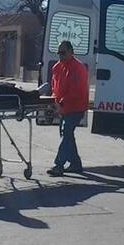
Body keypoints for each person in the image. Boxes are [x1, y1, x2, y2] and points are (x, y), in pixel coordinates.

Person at [46, 40, 89, 177]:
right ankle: (76, 164)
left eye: (63, 53)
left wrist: (62, 103)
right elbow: (55, 87)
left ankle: (59, 165)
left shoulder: (78, 68)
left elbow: (76, 91)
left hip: (76, 107)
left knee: (66, 133)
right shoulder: (57, 67)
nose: (60, 55)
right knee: (67, 136)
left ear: (71, 52)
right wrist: (54, 101)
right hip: (63, 107)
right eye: (58, 53)